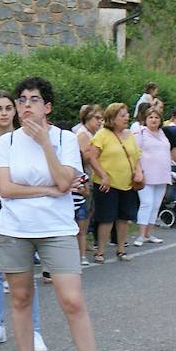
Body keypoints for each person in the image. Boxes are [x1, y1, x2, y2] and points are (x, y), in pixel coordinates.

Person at [0, 77, 120, 351]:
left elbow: (66, 181)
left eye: (33, 100)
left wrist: (45, 144)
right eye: (21, 100)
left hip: (57, 230)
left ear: (47, 107)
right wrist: (46, 190)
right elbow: (5, 189)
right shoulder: (6, 142)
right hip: (14, 230)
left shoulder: (65, 139)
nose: (26, 106)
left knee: (72, 300)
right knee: (20, 298)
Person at [0, 91, 47, 351]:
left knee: (26, 273)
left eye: (7, 108)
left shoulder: (25, 139)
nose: (3, 113)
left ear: (15, 111)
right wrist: (2, 180)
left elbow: (20, 180)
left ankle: (35, 330)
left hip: (19, 211)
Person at [89, 103, 142, 262]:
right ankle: (100, 251)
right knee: (107, 217)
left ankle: (121, 249)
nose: (126, 118)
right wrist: (103, 175)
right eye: (122, 115)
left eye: (126, 114)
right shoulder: (102, 134)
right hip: (107, 183)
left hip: (127, 183)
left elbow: (136, 156)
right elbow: (92, 157)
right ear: (112, 118)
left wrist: (138, 171)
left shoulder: (130, 135)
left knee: (124, 217)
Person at [133, 106, 171, 243]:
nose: (154, 120)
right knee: (146, 203)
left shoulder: (162, 133)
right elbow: (135, 153)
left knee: (156, 205)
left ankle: (149, 234)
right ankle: (141, 234)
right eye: (150, 117)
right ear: (145, 119)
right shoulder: (141, 133)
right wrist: (138, 171)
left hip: (162, 175)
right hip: (146, 175)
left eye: (156, 117)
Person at [73, 105, 104, 266]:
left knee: (89, 212)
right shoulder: (83, 134)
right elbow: (84, 158)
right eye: (97, 118)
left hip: (91, 178)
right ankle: (80, 250)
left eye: (101, 118)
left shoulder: (92, 133)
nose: (100, 121)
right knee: (83, 215)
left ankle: (84, 246)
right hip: (84, 179)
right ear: (87, 119)